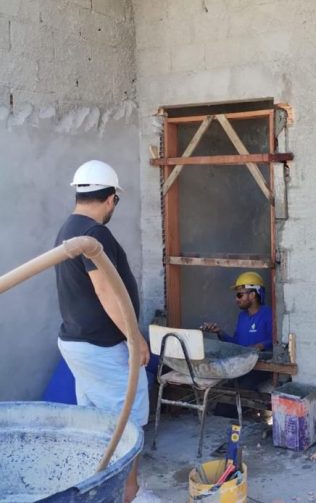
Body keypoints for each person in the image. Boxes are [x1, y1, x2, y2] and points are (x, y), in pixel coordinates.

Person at [54, 160, 152, 503]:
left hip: (80, 343)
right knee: (128, 418)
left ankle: (99, 488)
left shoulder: (69, 228)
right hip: (101, 347)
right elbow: (106, 292)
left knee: (98, 421)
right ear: (111, 198)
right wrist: (134, 338)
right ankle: (128, 492)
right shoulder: (94, 234)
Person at [202, 271, 273, 389]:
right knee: (224, 389)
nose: (236, 299)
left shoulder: (268, 314)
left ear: (252, 295)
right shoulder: (242, 316)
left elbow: (276, 341)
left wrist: (259, 346)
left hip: (260, 367)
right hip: (242, 366)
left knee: (242, 387)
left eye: (240, 295)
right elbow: (237, 345)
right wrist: (219, 332)